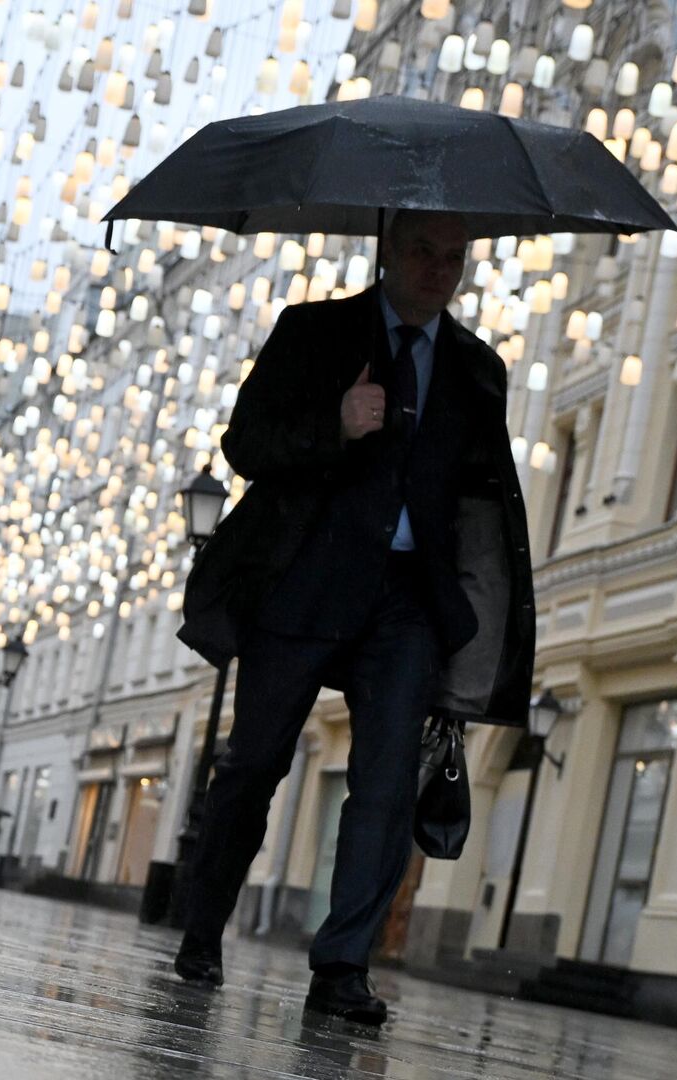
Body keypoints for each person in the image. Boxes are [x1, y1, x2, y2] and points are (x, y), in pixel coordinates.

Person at [173, 211, 535, 1025]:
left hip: (408, 603)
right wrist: (334, 426)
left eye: (455, 257)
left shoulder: (478, 370)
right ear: (387, 252)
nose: (439, 270)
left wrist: (475, 622)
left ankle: (342, 967)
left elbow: (480, 501)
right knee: (255, 764)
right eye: (422, 252)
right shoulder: (314, 331)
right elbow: (246, 445)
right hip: (307, 579)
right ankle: (202, 928)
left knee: (382, 787)